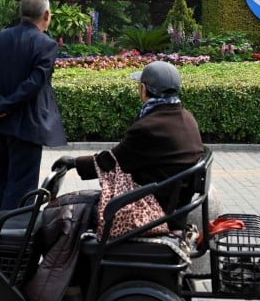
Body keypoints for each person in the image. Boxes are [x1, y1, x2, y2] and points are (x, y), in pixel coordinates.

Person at [51, 60, 204, 219]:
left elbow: (112, 161)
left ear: (143, 89)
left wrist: (73, 163)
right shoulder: (187, 118)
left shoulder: (150, 127)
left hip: (151, 208)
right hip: (174, 204)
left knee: (69, 213)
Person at [0, 0, 67, 213]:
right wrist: (2, 106)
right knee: (22, 187)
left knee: (0, 181)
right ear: (46, 15)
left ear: (21, 13)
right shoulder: (46, 44)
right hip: (27, 125)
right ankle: (10, 236)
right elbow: (34, 83)